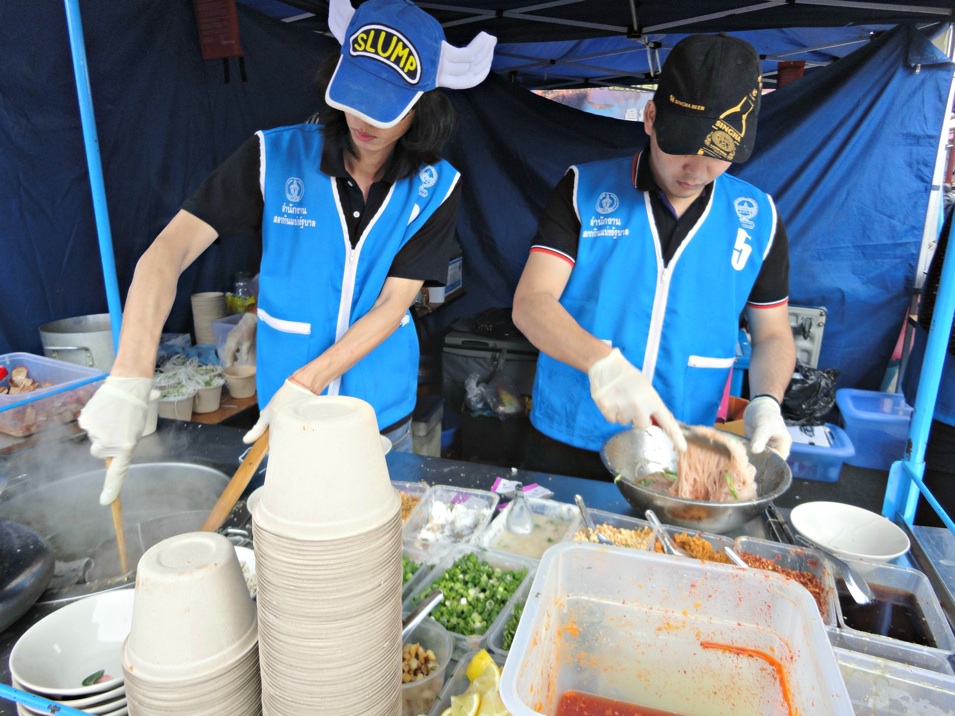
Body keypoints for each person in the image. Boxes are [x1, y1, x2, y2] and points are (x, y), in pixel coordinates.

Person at [78, 0, 497, 506]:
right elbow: (167, 251)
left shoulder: (435, 188)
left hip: (379, 417)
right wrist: (130, 374)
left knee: (380, 539)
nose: (363, 120)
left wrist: (307, 382)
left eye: (385, 109)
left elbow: (393, 304)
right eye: (355, 97)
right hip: (284, 415)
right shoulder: (273, 157)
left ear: (421, 110)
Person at [512, 33, 796, 480]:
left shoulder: (757, 218)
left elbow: (773, 334)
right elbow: (531, 303)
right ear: (650, 117)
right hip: (571, 432)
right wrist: (602, 364)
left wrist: (766, 401)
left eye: (718, 154)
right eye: (682, 145)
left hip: (681, 446)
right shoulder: (584, 190)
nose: (697, 169)